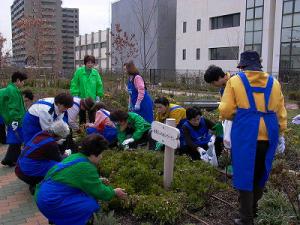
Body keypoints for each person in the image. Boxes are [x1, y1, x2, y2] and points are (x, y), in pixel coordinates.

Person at [219, 50, 287, 225]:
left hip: (245, 132)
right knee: (260, 171)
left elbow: (226, 110)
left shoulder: (235, 81)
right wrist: (281, 133)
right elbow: (281, 112)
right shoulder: (274, 83)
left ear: (242, 66)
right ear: (259, 65)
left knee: (244, 172)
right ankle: (253, 209)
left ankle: (245, 217)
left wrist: (242, 115)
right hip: (269, 132)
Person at [35, 134, 127, 225]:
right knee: (90, 205)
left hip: (43, 194)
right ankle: (62, 218)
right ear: (93, 154)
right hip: (51, 201)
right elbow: (100, 192)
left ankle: (55, 218)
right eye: (101, 153)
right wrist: (114, 192)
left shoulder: (76, 156)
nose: (102, 157)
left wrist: (97, 180)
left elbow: (72, 178)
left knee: (83, 196)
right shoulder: (87, 167)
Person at [15, 120, 70, 194]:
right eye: (61, 137)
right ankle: (38, 184)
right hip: (27, 173)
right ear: (59, 135)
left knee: (48, 162)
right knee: (58, 165)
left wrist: (55, 142)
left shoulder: (41, 133)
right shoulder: (51, 144)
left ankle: (35, 182)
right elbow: (59, 159)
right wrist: (67, 153)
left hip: (19, 168)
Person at [1, 71, 28, 167]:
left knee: (16, 140)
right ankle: (9, 159)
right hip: (15, 120)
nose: (23, 83)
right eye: (23, 81)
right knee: (16, 140)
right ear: (17, 80)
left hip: (15, 119)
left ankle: (10, 159)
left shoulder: (12, 89)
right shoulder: (12, 90)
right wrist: (15, 120)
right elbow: (13, 107)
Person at [70, 55, 104, 124]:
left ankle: (91, 130)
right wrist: (75, 94)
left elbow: (99, 85)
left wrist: (98, 95)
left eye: (92, 63)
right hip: (81, 98)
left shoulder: (95, 73)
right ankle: (82, 130)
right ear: (85, 63)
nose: (90, 64)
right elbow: (74, 83)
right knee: (82, 116)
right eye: (88, 63)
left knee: (92, 116)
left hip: (92, 99)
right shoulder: (79, 72)